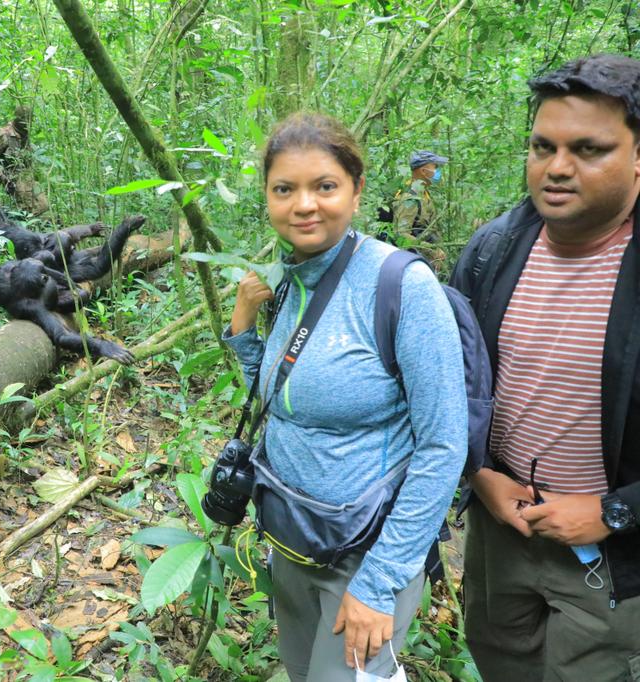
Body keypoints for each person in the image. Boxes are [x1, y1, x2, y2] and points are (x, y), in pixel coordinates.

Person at [224, 112, 466, 681]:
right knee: (301, 670)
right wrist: (243, 327)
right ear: (267, 197)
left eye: (324, 186)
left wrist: (379, 583)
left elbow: (442, 445)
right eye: (285, 189)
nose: (304, 204)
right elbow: (279, 400)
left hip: (364, 554)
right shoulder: (290, 279)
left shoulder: (401, 286)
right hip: (292, 535)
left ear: (356, 193)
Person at [449, 53, 640, 681]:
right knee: (500, 661)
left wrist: (615, 511)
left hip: (612, 554)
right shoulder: (493, 250)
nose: (557, 167)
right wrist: (479, 473)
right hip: (502, 528)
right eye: (543, 145)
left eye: (588, 149)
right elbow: (451, 384)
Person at [392, 150, 448, 270]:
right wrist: (430, 250)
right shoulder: (410, 199)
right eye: (435, 167)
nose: (438, 172)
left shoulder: (423, 193)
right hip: (411, 263)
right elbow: (401, 234)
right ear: (423, 171)